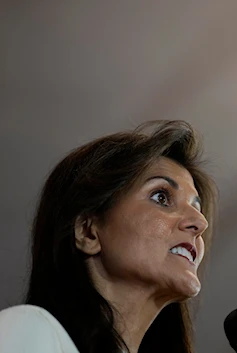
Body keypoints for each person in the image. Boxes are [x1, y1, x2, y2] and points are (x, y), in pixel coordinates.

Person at [0, 120, 218, 353]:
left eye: (198, 208)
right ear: (88, 231)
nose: (200, 223)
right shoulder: (32, 329)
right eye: (161, 197)